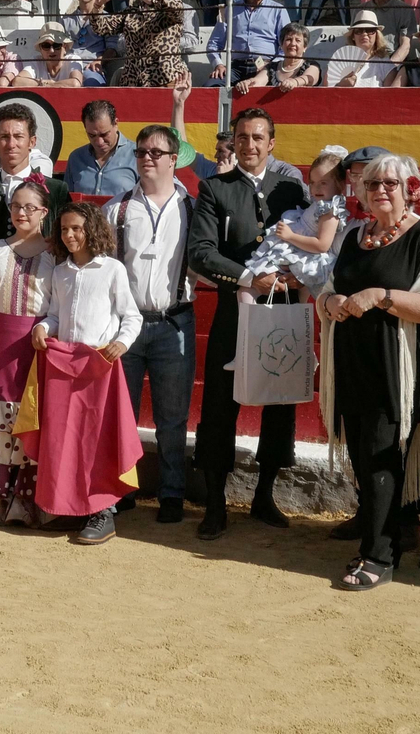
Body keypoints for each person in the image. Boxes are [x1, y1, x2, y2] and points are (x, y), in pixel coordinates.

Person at [317, 152, 420, 589]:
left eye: (391, 184)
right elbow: (330, 289)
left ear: (409, 188)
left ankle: (379, 555)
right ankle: (377, 540)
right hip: (353, 362)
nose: (381, 191)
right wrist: (330, 302)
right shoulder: (355, 236)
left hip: (394, 369)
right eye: (373, 184)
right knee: (363, 455)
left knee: (381, 460)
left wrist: (382, 295)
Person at [186, 108, 309, 540]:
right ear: (233, 142)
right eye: (242, 137)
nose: (250, 145)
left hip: (283, 308)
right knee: (220, 406)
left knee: (281, 403)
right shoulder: (214, 189)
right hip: (233, 312)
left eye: (258, 138)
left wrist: (299, 274)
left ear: (271, 143)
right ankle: (216, 503)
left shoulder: (292, 188)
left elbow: (316, 239)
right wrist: (245, 277)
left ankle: (264, 495)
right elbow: (200, 252)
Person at [99, 127, 200, 526]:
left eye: (157, 152)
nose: (147, 158)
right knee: (118, 412)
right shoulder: (117, 209)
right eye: (142, 151)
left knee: (172, 416)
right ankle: (120, 487)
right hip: (126, 325)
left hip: (174, 319)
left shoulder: (193, 208)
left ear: (174, 159)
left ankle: (172, 493)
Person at [28, 202, 144, 544]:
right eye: (64, 229)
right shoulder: (61, 271)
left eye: (77, 228)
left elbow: (131, 316)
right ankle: (71, 507)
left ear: (91, 230)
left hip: (98, 366)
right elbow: (55, 315)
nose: (70, 235)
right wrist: (43, 329)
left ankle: (102, 511)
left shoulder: (112, 270)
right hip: (65, 367)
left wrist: (121, 343)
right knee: (63, 439)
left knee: (97, 439)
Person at [0, 179, 57, 526]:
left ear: (44, 212)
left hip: (34, 342)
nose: (20, 212)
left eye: (29, 207)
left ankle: (24, 492)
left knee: (27, 417)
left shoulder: (54, 252)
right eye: (16, 206)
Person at [0, 104, 71, 325]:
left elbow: (68, 250)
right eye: (4, 137)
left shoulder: (56, 190)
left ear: (32, 142)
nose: (11, 144)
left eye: (18, 136)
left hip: (44, 304)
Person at [242, 148, 350, 304]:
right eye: (312, 183)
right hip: (298, 250)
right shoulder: (319, 205)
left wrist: (290, 236)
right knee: (253, 288)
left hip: (305, 254)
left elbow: (322, 245)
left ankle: (249, 320)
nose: (316, 188)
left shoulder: (330, 210)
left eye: (323, 183)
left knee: (249, 288)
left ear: (340, 185)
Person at [84, 0, 189, 88]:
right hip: (133, 81)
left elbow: (174, 9)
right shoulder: (132, 12)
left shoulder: (173, 4)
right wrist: (98, 5)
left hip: (165, 80)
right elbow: (100, 28)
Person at [62, 99, 137, 198]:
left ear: (116, 124)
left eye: (104, 134)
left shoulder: (138, 155)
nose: (99, 142)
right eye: (92, 135)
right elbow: (66, 200)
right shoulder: (76, 157)